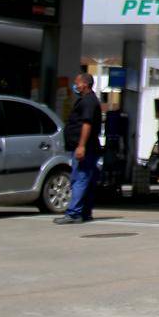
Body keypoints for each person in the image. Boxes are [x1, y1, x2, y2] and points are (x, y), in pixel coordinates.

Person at [56, 72, 103, 225]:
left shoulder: (88, 102)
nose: (75, 85)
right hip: (87, 148)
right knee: (86, 180)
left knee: (79, 179)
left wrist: (81, 146)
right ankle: (85, 212)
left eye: (77, 82)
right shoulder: (87, 100)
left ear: (85, 84)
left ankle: (73, 213)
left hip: (86, 148)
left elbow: (87, 124)